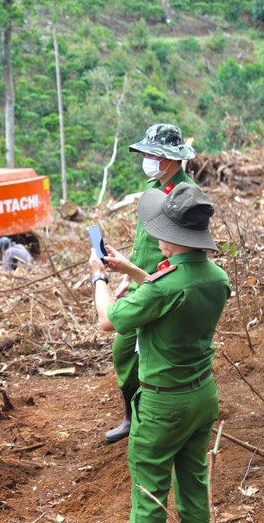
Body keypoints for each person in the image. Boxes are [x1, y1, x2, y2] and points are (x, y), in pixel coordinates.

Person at [88, 182, 230, 523]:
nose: (156, 239)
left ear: (177, 236)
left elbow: (108, 320)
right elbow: (170, 290)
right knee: (194, 489)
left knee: (149, 497)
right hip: (202, 397)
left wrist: (99, 278)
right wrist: (133, 271)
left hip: (163, 408)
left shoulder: (165, 288)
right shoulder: (217, 278)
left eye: (161, 232)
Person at [104, 123, 200, 444]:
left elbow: (182, 252)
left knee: (154, 355)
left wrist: (148, 281)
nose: (146, 157)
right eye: (146, 152)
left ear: (170, 158)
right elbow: (143, 244)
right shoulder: (153, 189)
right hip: (139, 282)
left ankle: (157, 418)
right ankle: (132, 417)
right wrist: (126, 276)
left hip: (162, 287)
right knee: (124, 353)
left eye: (152, 153)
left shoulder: (185, 196)